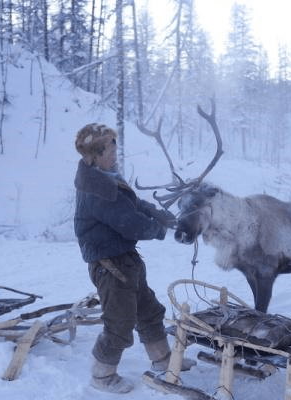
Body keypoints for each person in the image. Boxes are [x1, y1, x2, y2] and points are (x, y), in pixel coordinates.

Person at [73, 123, 195, 394]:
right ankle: (102, 376)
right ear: (96, 153)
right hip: (110, 265)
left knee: (149, 311)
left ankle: (163, 360)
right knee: (119, 322)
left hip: (123, 260)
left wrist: (157, 212)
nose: (115, 151)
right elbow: (131, 223)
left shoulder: (103, 176)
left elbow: (133, 204)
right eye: (110, 147)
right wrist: (160, 228)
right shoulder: (97, 190)